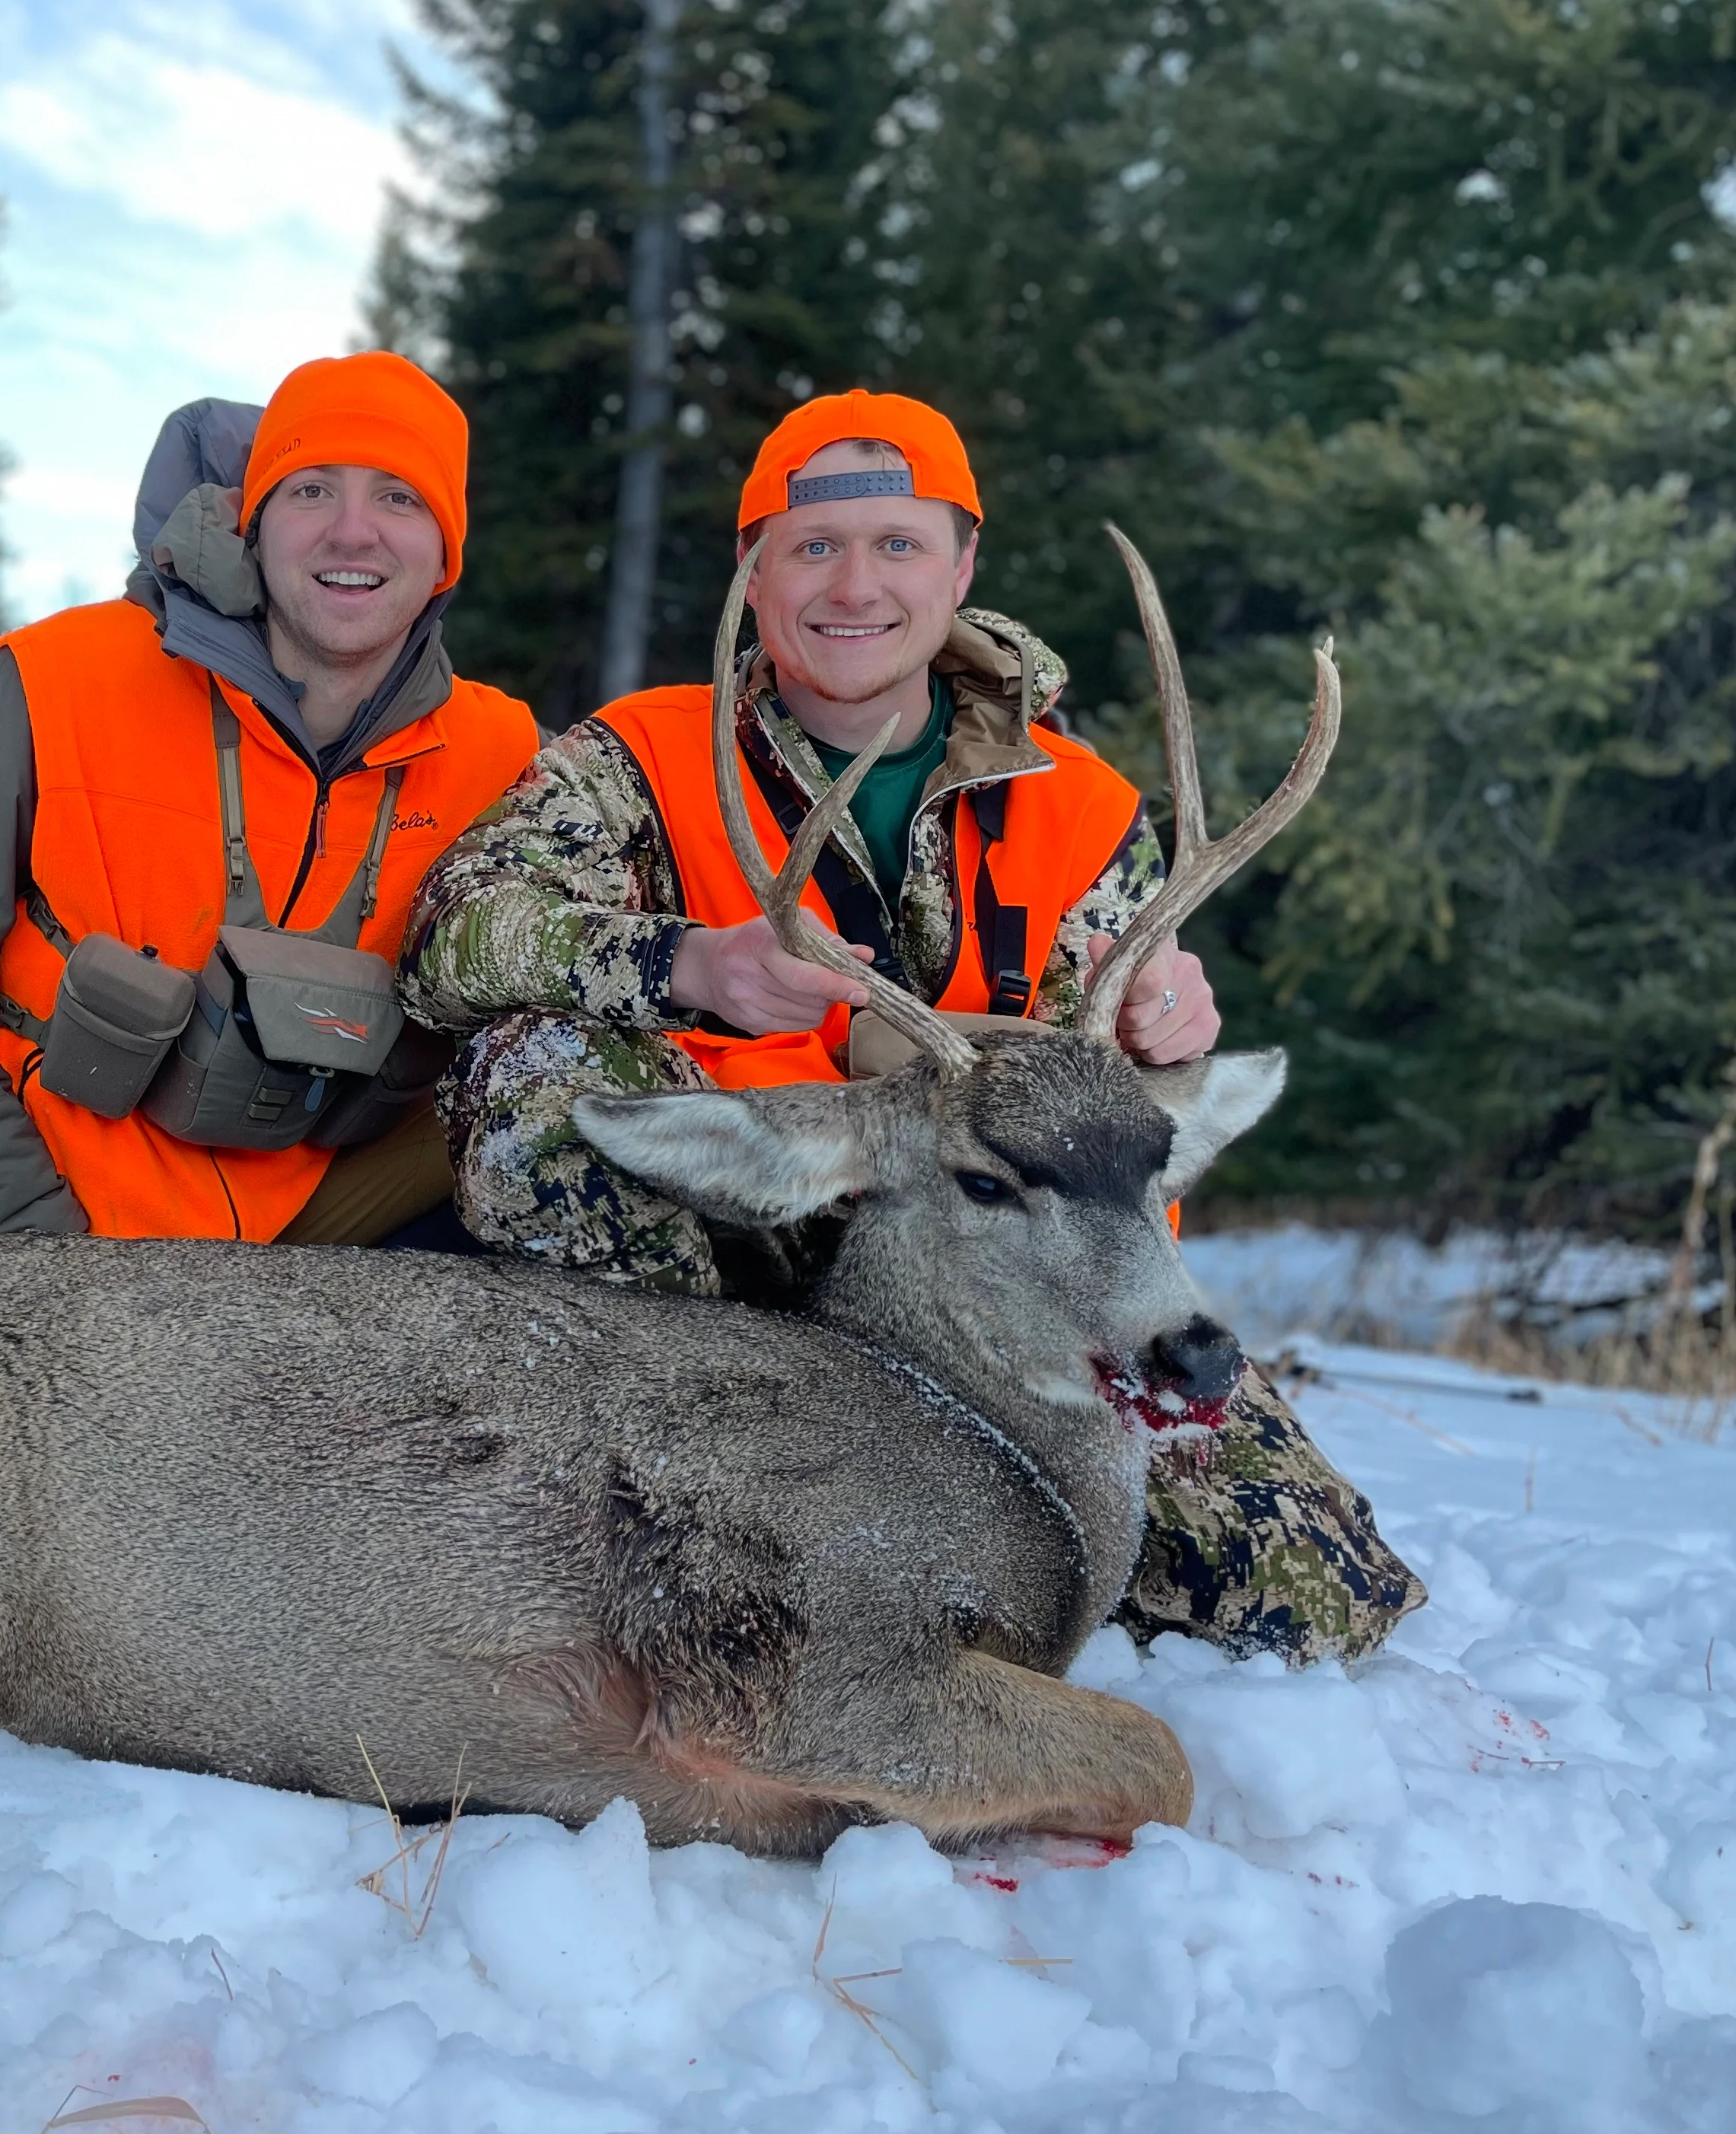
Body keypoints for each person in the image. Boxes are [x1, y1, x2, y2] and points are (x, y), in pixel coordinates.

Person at [399, 389, 1423, 1664]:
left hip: (996, 1291)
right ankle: (643, 1527)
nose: (853, 583)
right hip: (721, 1258)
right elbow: (451, 945)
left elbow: (1100, 1082)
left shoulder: (1085, 804)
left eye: (898, 543)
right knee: (540, 1067)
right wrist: (687, 963)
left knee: (1312, 1598)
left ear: (962, 566)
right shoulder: (641, 758)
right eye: (812, 544)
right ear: (753, 567)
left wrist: (1166, 1025)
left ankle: (932, 1513)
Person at [0, 352, 540, 1246]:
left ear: (445, 550)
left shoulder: (503, 751)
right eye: (311, 490)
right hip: (33, 1222)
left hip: (297, 1231)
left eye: (400, 497)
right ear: (253, 522)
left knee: (555, 1098)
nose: (354, 533)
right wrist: (36, 1239)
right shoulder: (54, 683)